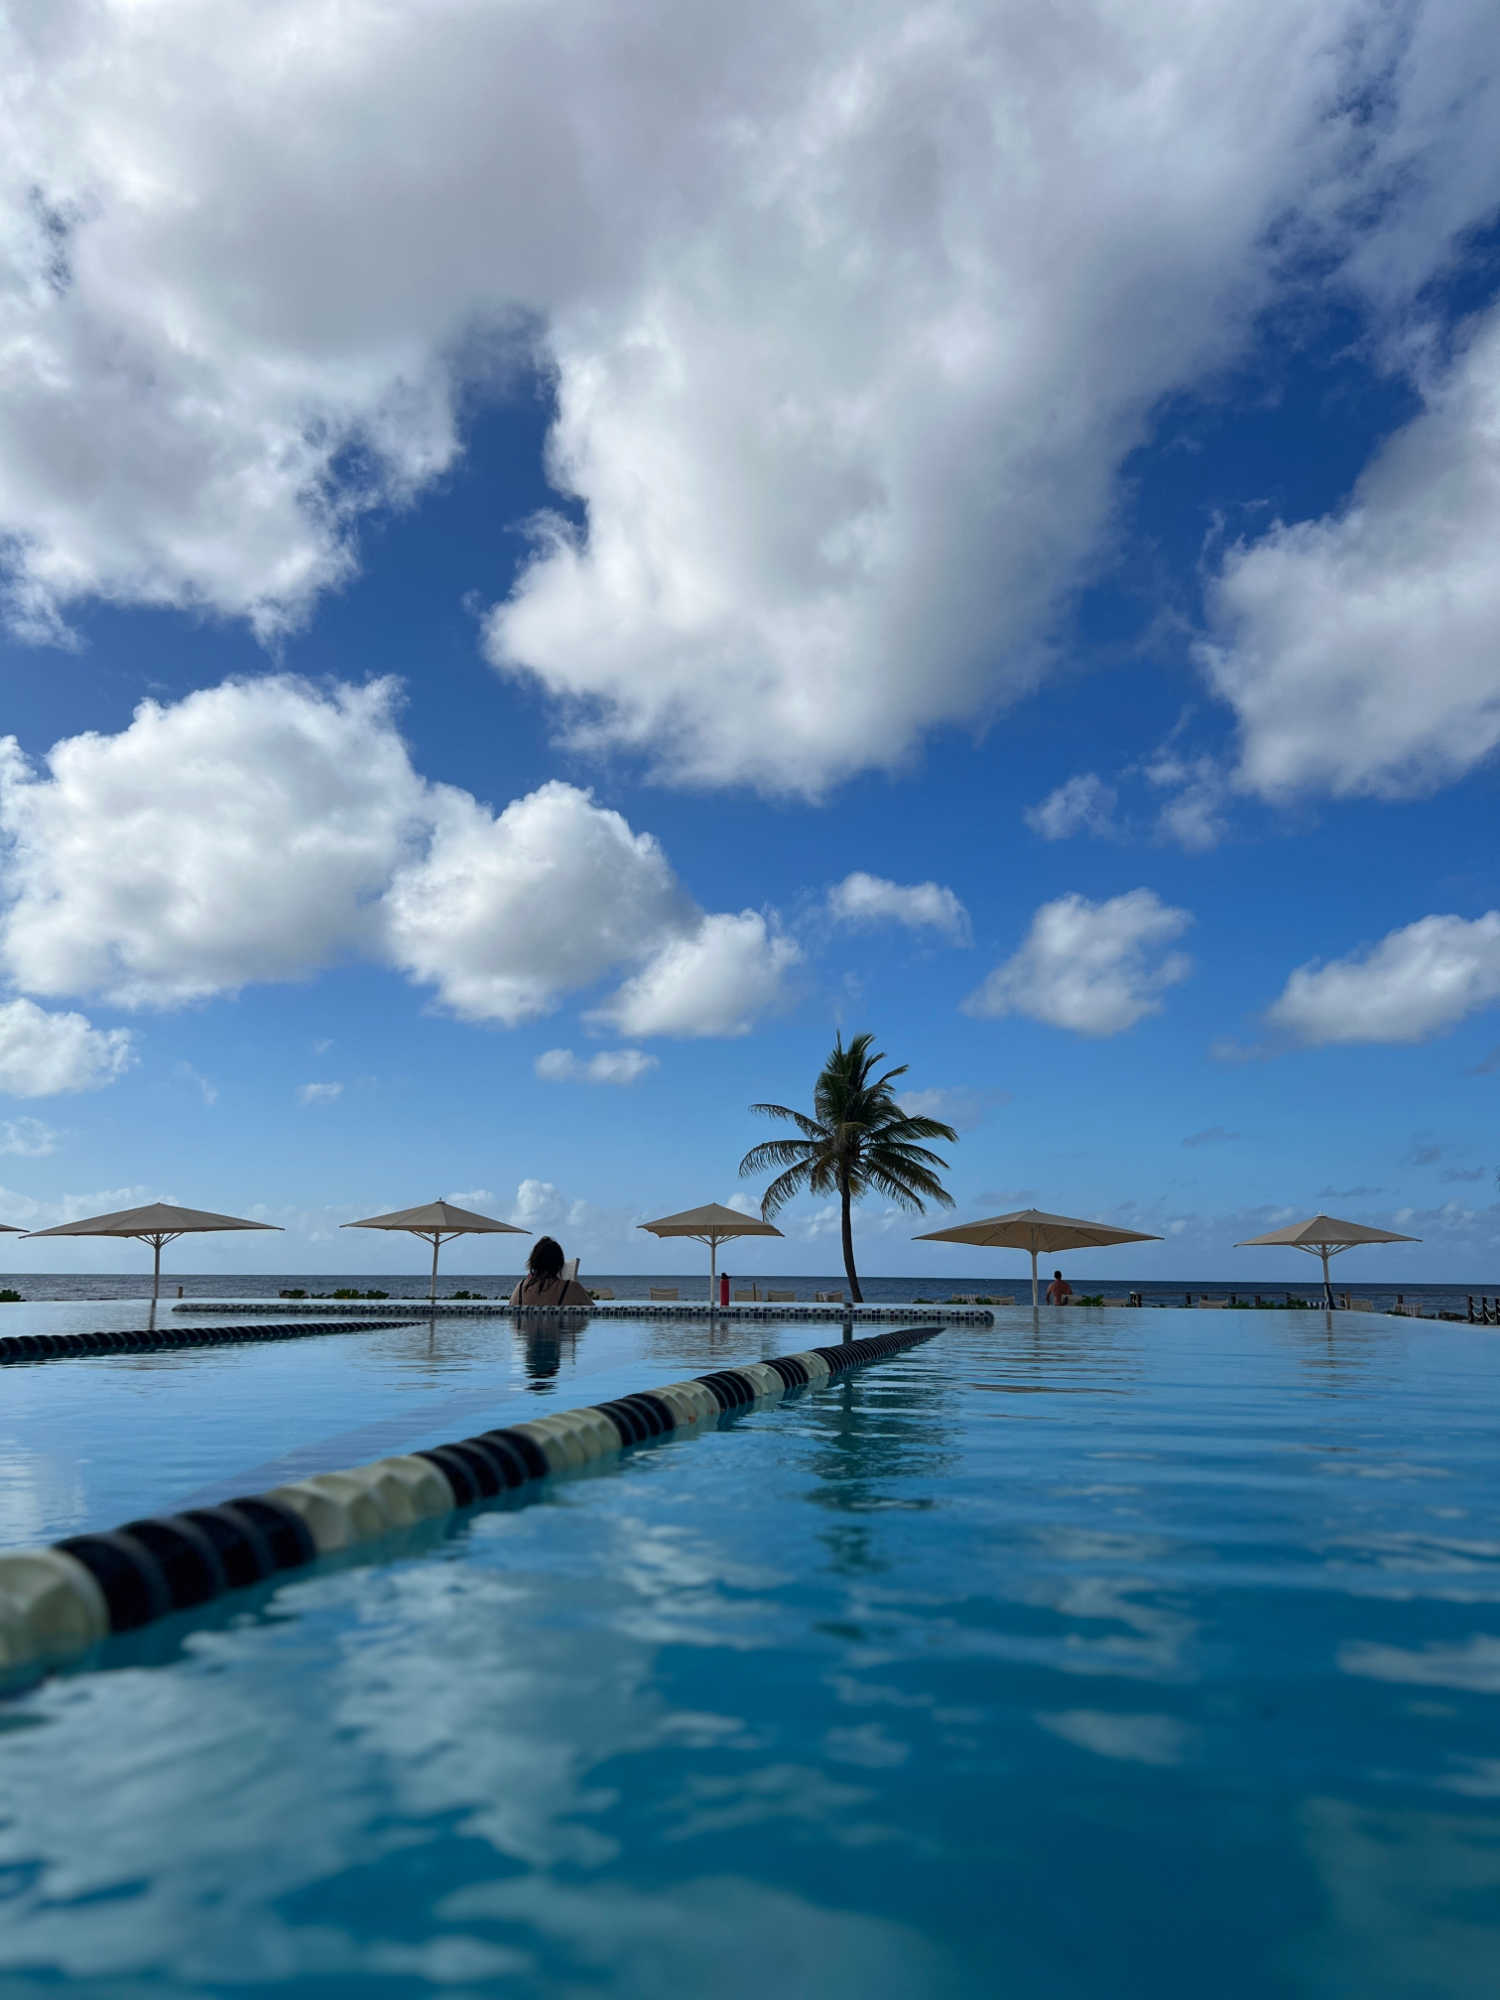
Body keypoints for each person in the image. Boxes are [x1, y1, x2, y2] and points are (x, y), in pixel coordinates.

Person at [510, 1236, 592, 1309]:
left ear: (533, 1262)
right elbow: (591, 1312)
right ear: (560, 1264)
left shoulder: (520, 1287)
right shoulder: (572, 1288)